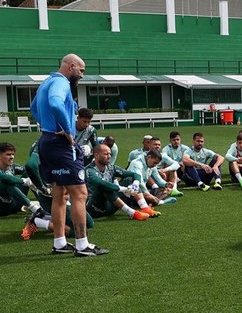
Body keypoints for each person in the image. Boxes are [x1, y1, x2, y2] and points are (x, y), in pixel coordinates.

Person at [30, 53, 108, 256]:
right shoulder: (61, 83)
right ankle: (82, 245)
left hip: (47, 141)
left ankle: (59, 243)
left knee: (60, 194)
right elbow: (55, 103)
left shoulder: (46, 81)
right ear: (71, 66)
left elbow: (33, 108)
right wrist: (66, 129)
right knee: (80, 194)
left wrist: (48, 126)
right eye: (81, 70)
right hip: (60, 145)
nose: (82, 75)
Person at [85, 144, 153, 221]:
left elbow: (134, 174)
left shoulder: (111, 168)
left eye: (110, 154)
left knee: (129, 180)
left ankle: (145, 208)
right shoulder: (89, 170)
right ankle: (133, 213)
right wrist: (123, 189)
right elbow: (100, 183)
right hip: (95, 208)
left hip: (110, 206)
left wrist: (135, 184)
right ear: (96, 155)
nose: (109, 156)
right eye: (106, 154)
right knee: (104, 187)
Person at [1, 142, 48, 225]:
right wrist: (24, 181)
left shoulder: (13, 167)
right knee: (7, 183)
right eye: (8, 154)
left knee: (30, 173)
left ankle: (45, 203)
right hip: (1, 208)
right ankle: (36, 209)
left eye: (12, 154)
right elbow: (6, 178)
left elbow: (29, 170)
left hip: (14, 204)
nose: (12, 157)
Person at [161, 131, 191, 196]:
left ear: (180, 140)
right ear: (170, 140)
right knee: (168, 164)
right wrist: (177, 163)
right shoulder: (166, 149)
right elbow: (165, 159)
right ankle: (175, 181)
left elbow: (189, 158)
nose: (176, 141)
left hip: (182, 168)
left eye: (177, 139)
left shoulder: (185, 148)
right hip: (172, 169)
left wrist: (183, 162)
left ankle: (185, 177)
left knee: (186, 162)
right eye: (174, 140)